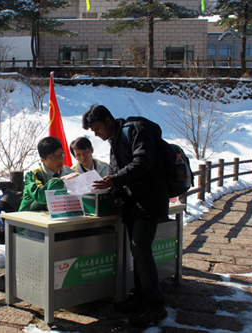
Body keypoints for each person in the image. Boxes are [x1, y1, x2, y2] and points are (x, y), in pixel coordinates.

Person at [82, 105, 169, 327]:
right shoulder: (115, 139)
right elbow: (115, 172)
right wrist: (106, 188)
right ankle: (140, 298)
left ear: (109, 120)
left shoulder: (135, 130)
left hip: (148, 200)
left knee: (141, 250)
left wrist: (114, 180)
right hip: (133, 202)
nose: (96, 134)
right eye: (93, 130)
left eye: (97, 128)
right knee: (137, 251)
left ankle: (154, 306)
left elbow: (143, 161)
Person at [19, 136, 76, 212]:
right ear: (43, 160)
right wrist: (60, 181)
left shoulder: (70, 172)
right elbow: (41, 196)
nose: (60, 160)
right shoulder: (33, 176)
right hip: (29, 219)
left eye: (61, 155)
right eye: (54, 157)